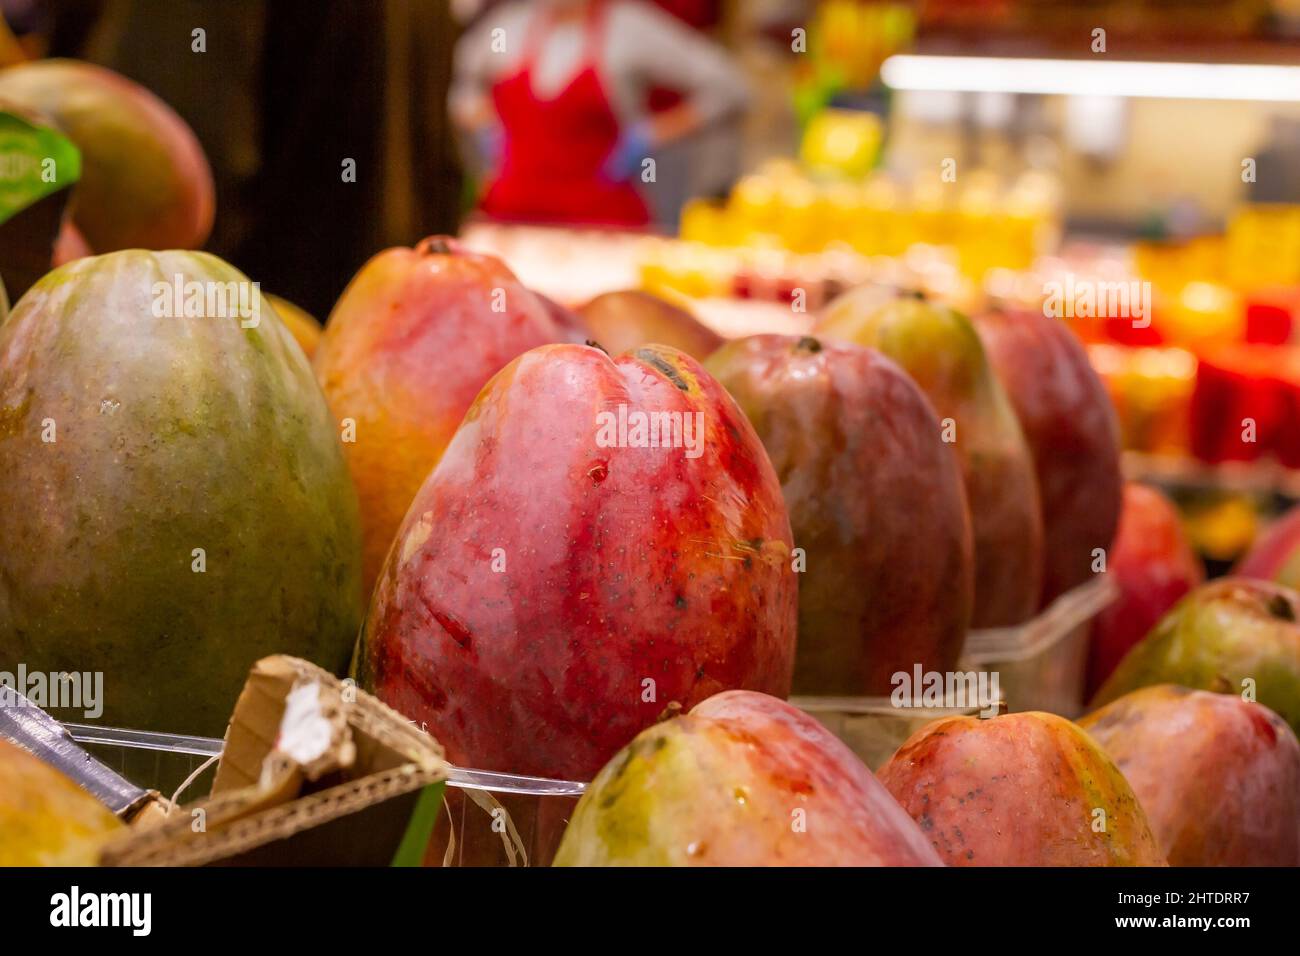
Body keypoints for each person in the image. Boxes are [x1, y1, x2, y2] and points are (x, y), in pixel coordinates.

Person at [452, 0, 749, 228]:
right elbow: (462, 92)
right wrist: (486, 128)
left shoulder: (631, 28)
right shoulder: (507, 28)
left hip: (602, 221)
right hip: (512, 218)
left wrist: (650, 134)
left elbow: (729, 88)